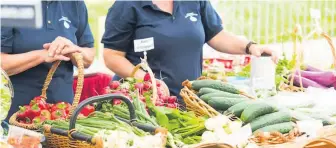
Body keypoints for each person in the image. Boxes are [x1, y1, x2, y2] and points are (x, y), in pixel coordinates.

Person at [102, 0, 277, 98]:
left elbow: (216, 35)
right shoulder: (126, 6)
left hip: (189, 101)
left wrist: (250, 47)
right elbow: (112, 56)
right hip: (144, 104)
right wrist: (147, 80)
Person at [1, 0, 95, 121]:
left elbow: (89, 57)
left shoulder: (75, 4)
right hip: (18, 114)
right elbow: (2, 63)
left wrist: (71, 49)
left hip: (62, 114)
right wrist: (43, 55)